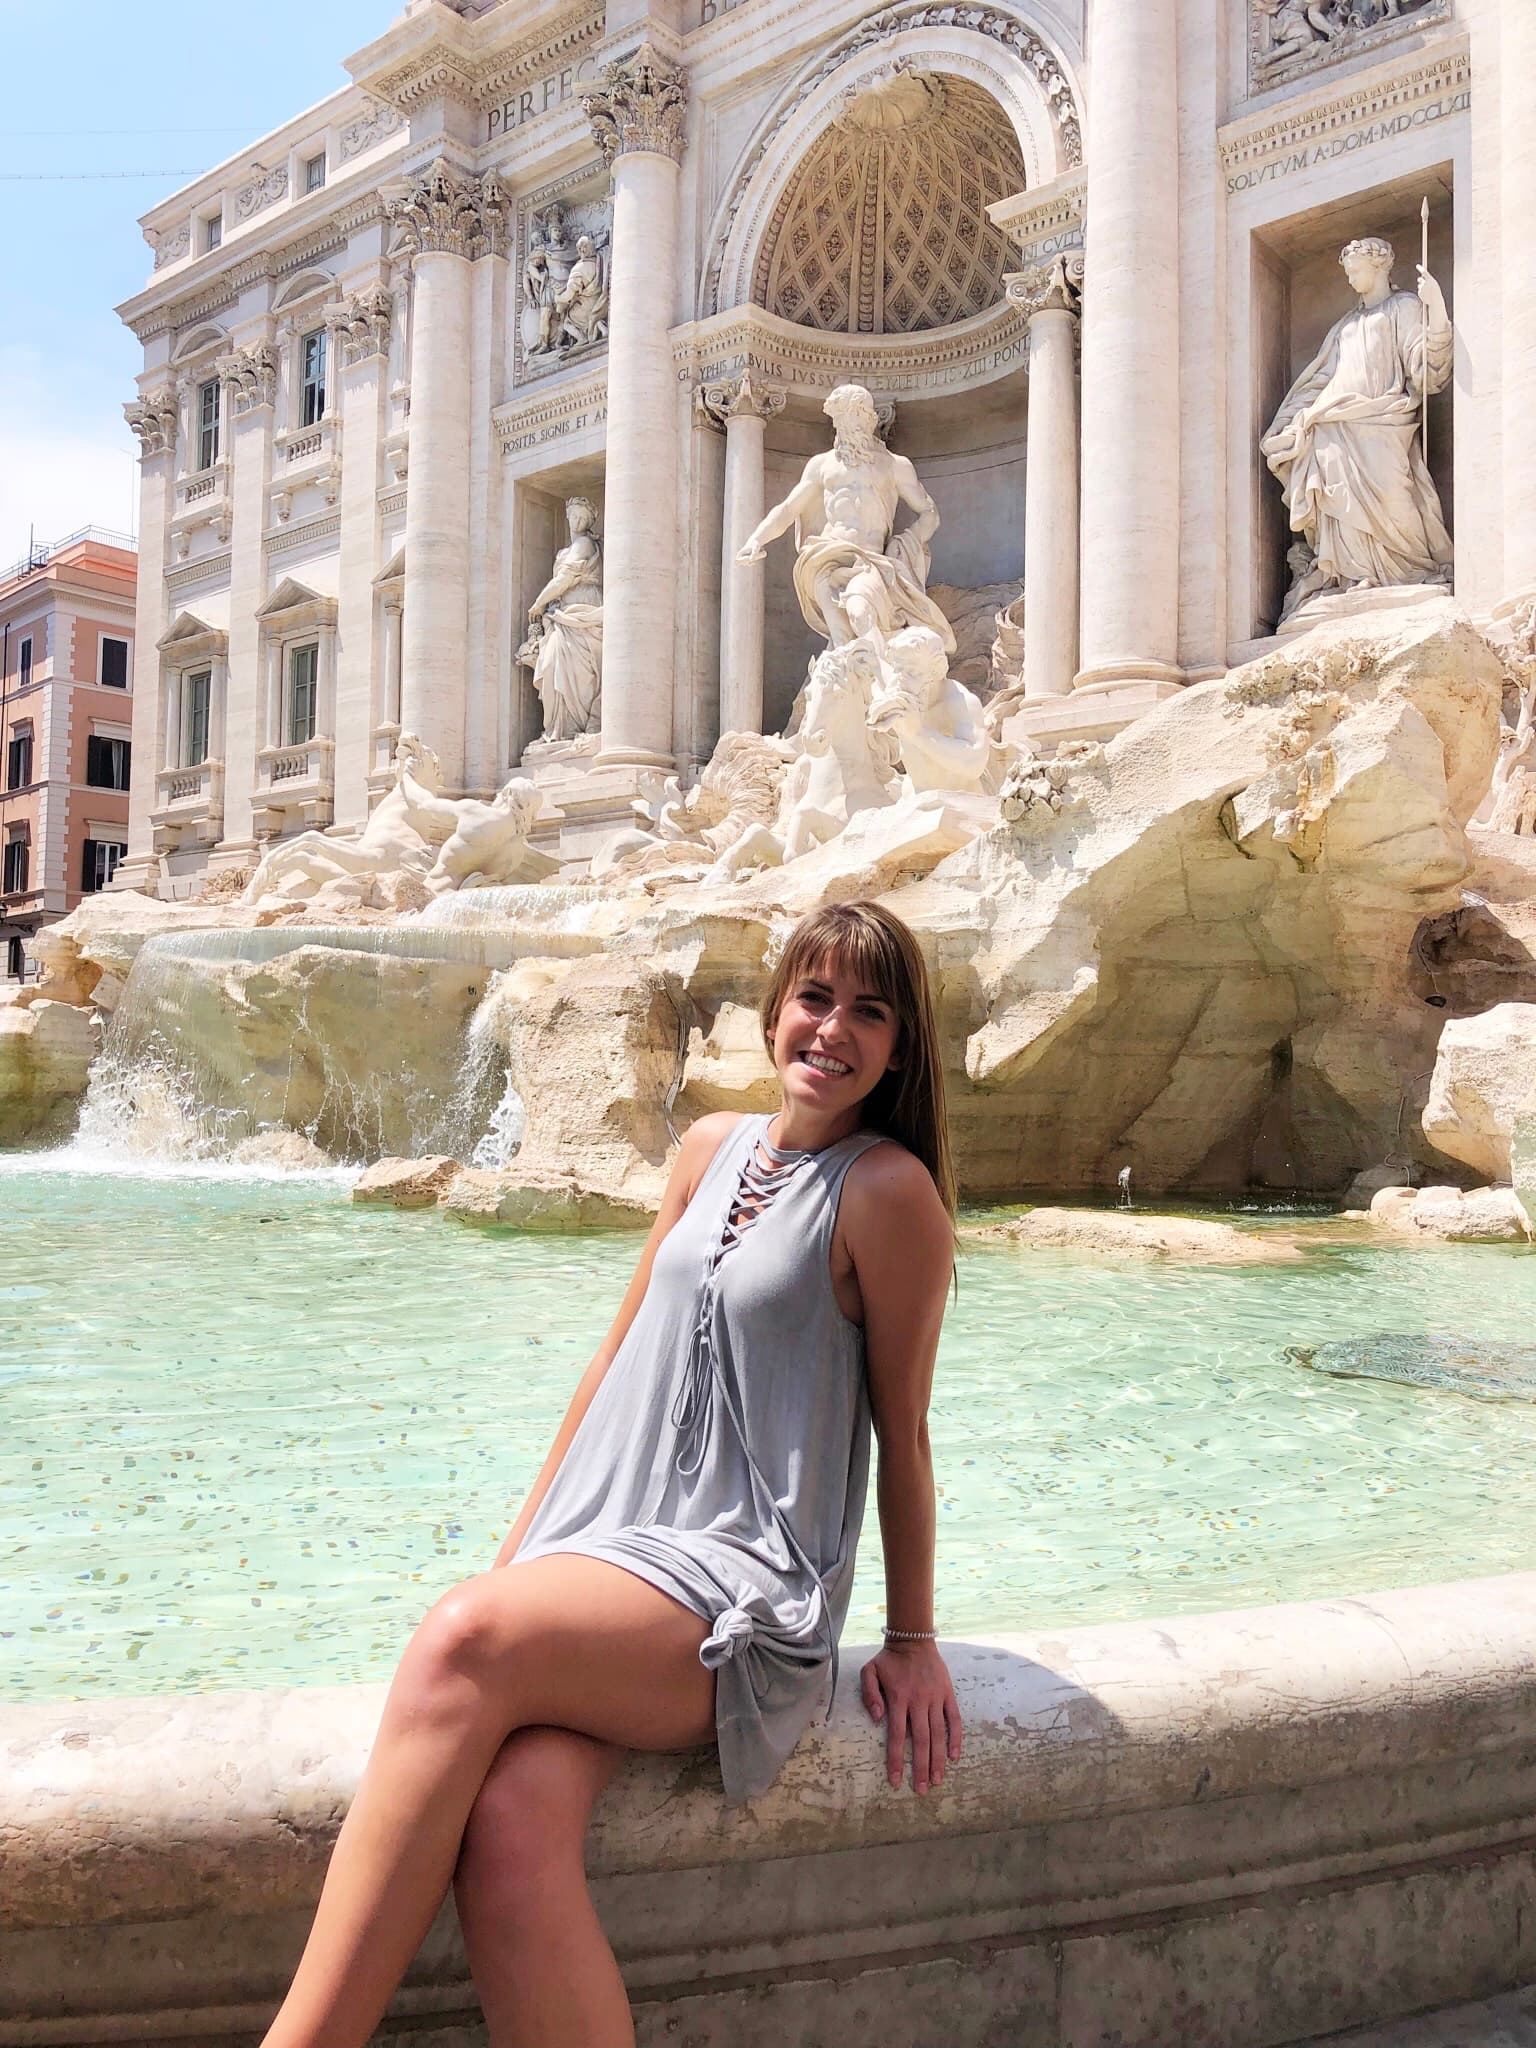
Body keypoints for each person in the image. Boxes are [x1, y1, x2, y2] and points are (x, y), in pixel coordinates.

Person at [259, 899, 963, 2048]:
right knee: (513, 1824)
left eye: (868, 1012)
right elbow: (611, 1360)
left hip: (746, 1582)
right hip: (620, 1547)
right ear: (776, 1007)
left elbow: (906, 1432)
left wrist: (913, 1638)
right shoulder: (704, 1148)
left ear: (900, 1047)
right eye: (816, 997)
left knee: (462, 1639)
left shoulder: (889, 1195)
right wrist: (522, 1561)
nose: (833, 1029)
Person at [1261, 235, 1453, 619]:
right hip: (1333, 423)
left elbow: (1427, 368)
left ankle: (1408, 571)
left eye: (1355, 271)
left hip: (1384, 419)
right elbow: (1319, 381)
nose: (1350, 279)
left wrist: (1438, 309)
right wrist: (1290, 421)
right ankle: (1352, 577)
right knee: (1336, 495)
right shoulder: (1345, 326)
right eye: (1347, 272)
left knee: (1395, 495)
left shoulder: (1404, 307)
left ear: (1378, 267)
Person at [736, 381, 957, 656]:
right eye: (840, 418)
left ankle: (883, 680)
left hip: (871, 561)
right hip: (826, 558)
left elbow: (929, 514)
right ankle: (849, 685)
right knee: (841, 640)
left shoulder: (895, 465)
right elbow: (789, 508)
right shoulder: (822, 465)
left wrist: (905, 545)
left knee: (859, 610)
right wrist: (757, 539)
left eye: (853, 416)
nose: (846, 426)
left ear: (869, 419)